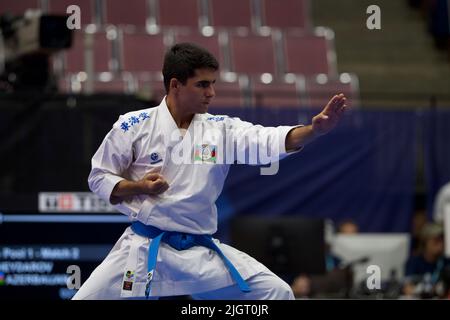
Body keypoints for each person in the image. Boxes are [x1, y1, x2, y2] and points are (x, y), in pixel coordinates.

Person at [73, 43, 348, 300]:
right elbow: (99, 176)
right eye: (202, 84)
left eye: (213, 84)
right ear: (175, 85)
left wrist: (314, 131)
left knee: (276, 292)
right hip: (143, 249)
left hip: (199, 254)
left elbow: (265, 139)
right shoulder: (133, 125)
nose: (211, 93)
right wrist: (139, 187)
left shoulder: (221, 129)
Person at [402, 222, 450, 298]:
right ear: (425, 242)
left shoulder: (446, 262)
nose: (440, 245)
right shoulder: (414, 262)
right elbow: (407, 289)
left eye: (442, 241)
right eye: (436, 241)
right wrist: (430, 290)